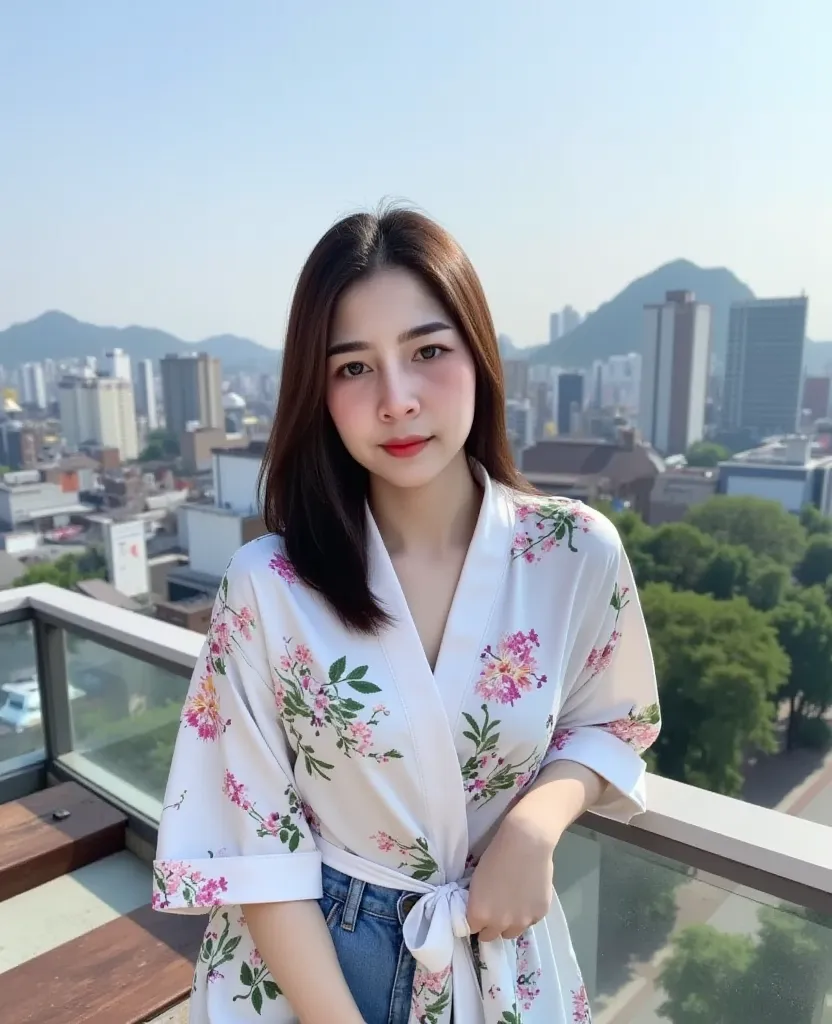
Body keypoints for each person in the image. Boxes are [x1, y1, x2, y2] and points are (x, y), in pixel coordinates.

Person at [152, 205, 661, 1024]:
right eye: (353, 367)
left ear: (479, 355)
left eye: (428, 351)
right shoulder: (269, 583)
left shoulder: (574, 551)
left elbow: (616, 721)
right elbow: (251, 840)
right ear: (316, 392)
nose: (396, 400)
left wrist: (536, 823)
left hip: (495, 946)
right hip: (308, 963)